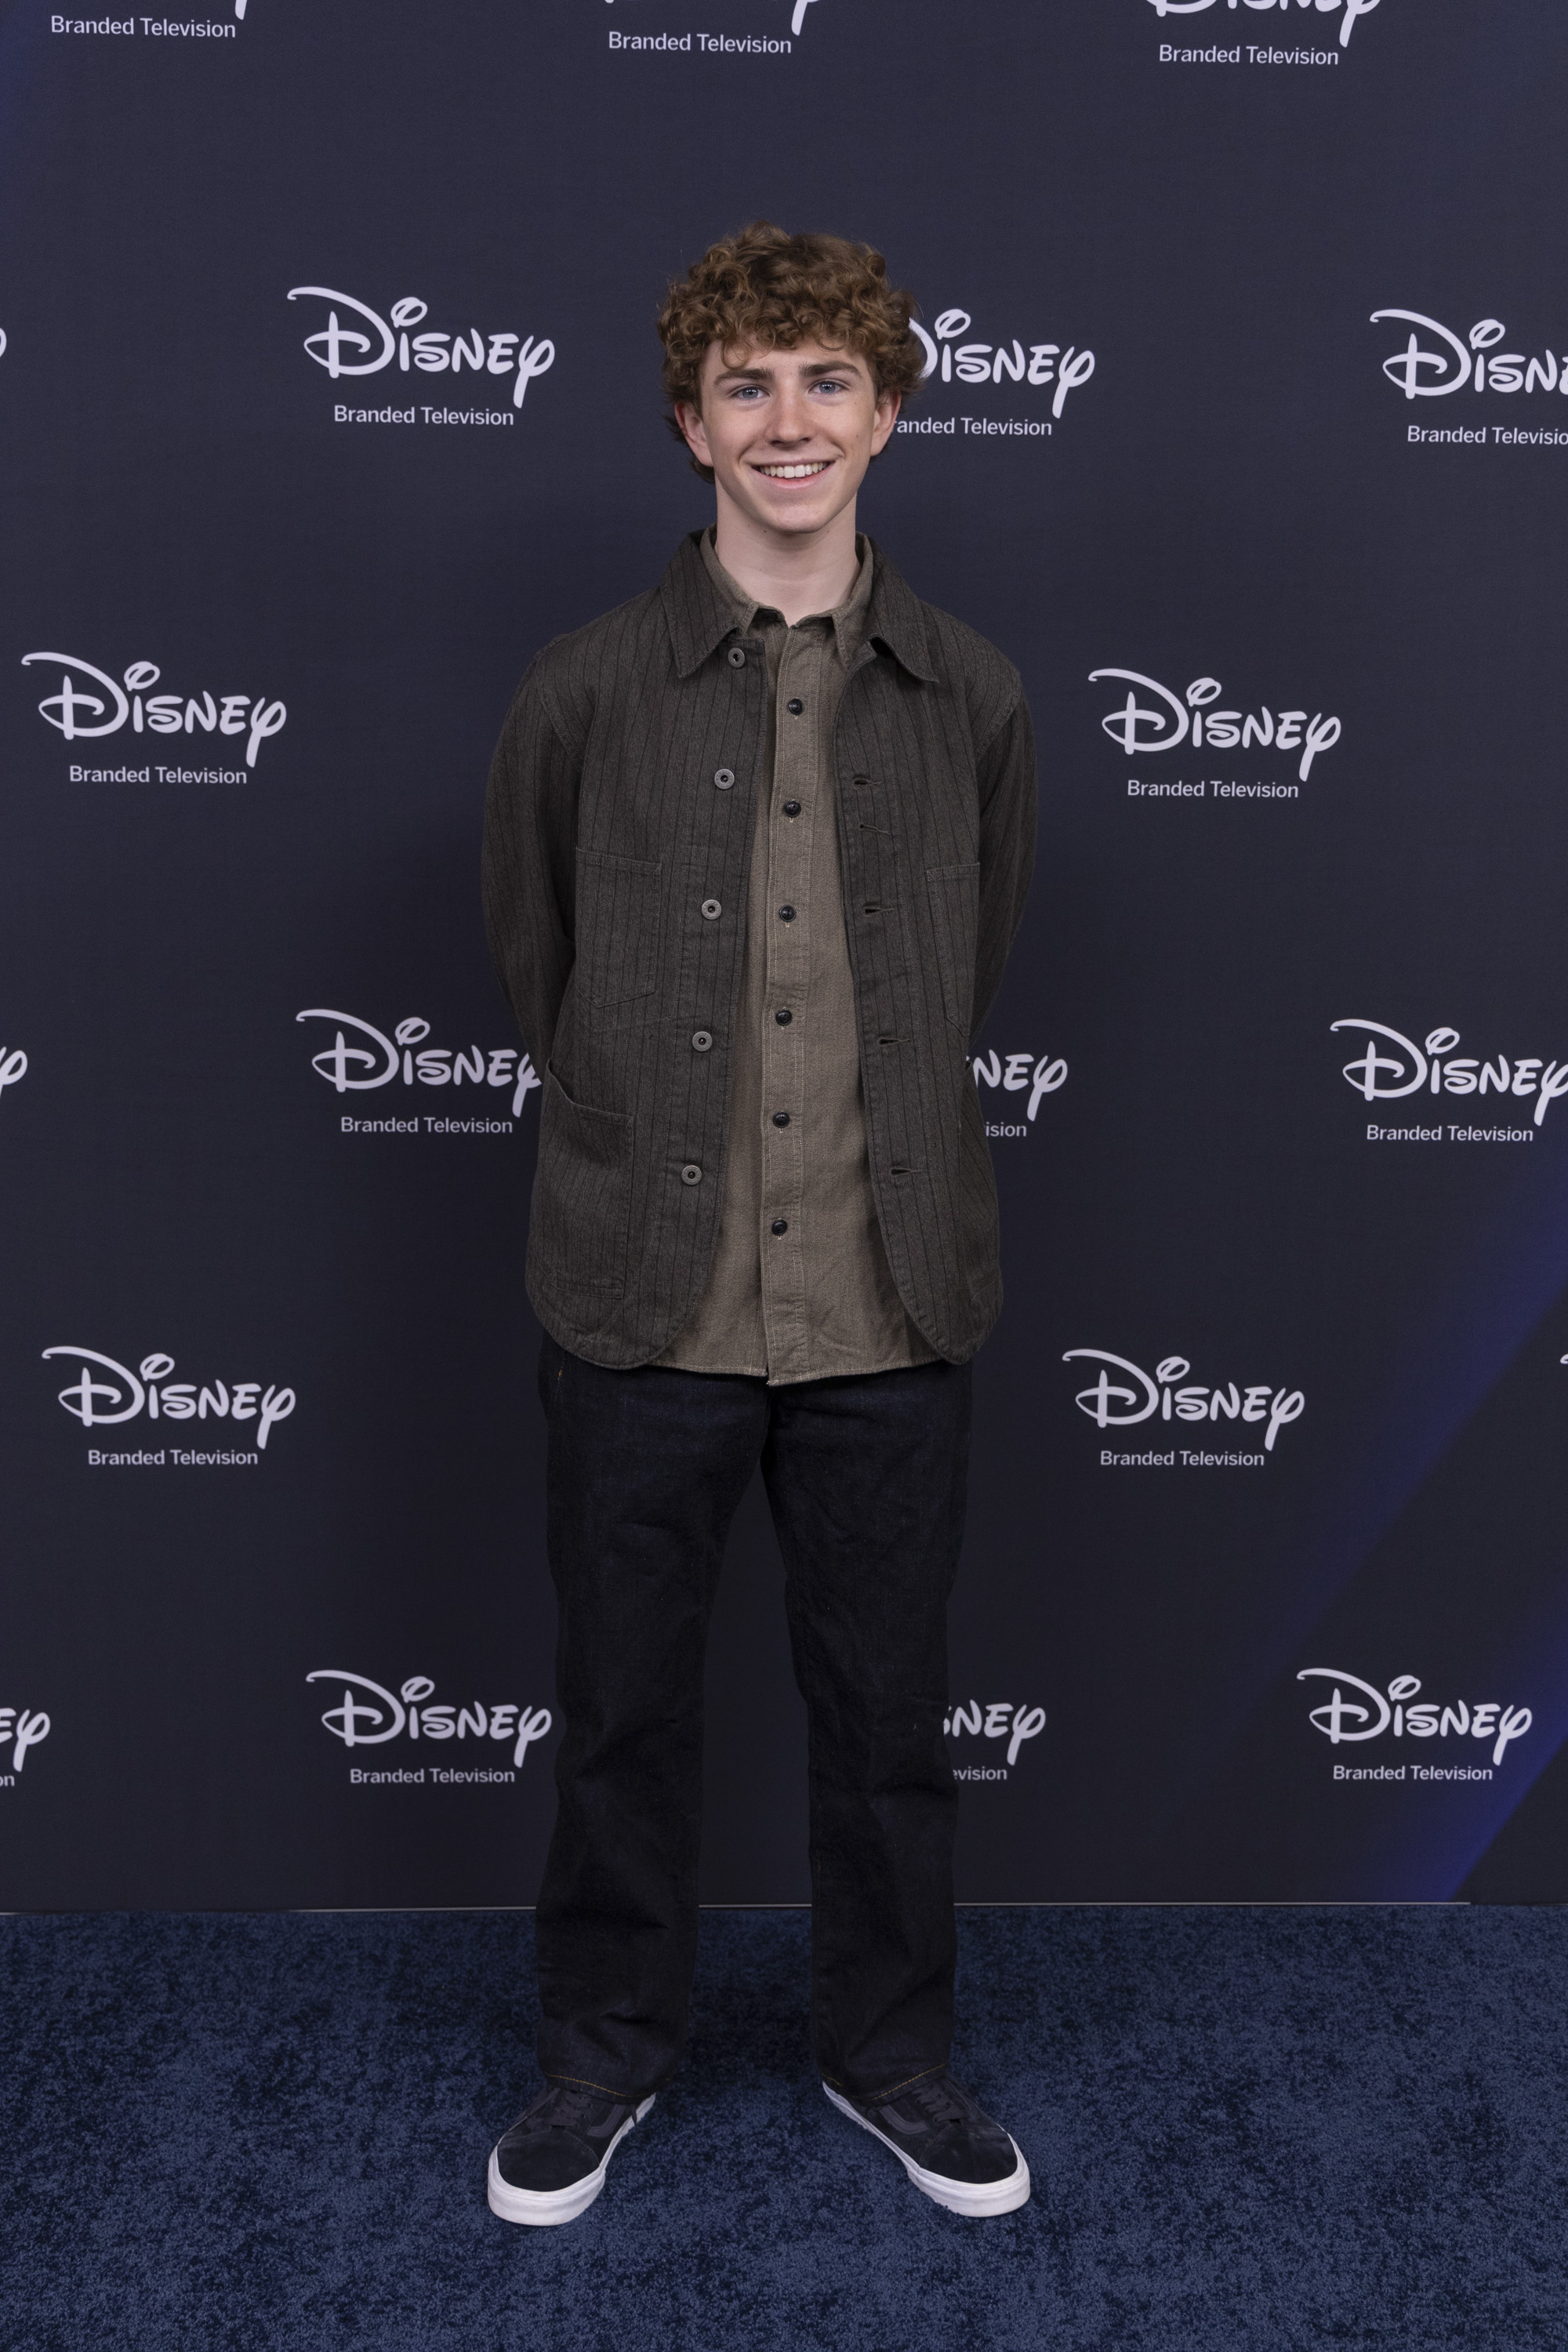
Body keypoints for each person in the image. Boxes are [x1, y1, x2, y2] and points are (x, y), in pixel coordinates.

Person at [481, 221, 1036, 2227]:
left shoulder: (970, 694)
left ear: (886, 417)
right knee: (621, 1715)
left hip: (892, 1296)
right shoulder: (583, 690)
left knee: (887, 1724)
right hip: (641, 1296)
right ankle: (600, 2056)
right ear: (688, 424)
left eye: (826, 382)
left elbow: (969, 966)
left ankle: (889, 2055)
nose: (787, 422)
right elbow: (541, 965)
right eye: (747, 385)